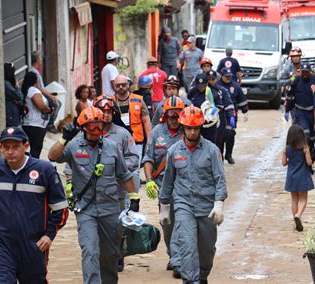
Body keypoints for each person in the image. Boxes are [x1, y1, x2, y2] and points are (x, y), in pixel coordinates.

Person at [0, 126, 68, 282]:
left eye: (15, 147)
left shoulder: (44, 170)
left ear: (25, 146)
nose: (10, 152)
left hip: (34, 246)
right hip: (2, 244)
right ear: (0, 147)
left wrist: (49, 235)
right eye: (6, 147)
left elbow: (61, 209)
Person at [48, 106, 139, 283]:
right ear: (83, 127)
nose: (96, 131)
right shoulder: (73, 146)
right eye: (92, 127)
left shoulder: (111, 147)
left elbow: (124, 174)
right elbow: (52, 156)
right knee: (90, 250)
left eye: (99, 126)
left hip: (110, 209)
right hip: (86, 209)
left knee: (110, 254)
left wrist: (134, 198)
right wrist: (64, 139)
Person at [159, 105, 227, 284]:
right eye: (189, 128)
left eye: (195, 128)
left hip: (206, 207)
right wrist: (165, 208)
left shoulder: (212, 151)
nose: (192, 132)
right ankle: (191, 281)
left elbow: (220, 179)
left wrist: (219, 204)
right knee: (187, 247)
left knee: (207, 251)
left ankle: (202, 275)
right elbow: (168, 182)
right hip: (183, 205)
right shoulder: (174, 151)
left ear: (200, 127)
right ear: (183, 127)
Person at [93, 94, 139, 272]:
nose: (105, 115)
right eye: (102, 111)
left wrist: (116, 168)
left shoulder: (122, 134)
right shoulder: (86, 135)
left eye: (109, 111)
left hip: (117, 190)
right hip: (93, 192)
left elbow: (134, 158)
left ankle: (117, 253)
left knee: (118, 225)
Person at [143, 96, 185, 278]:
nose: (174, 118)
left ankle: (179, 260)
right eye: (170, 114)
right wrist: (149, 180)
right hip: (163, 187)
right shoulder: (157, 132)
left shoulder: (189, 130)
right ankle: (173, 254)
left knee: (184, 222)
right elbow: (148, 158)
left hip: (185, 186)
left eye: (177, 114)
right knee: (167, 223)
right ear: (164, 115)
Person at [114, 75, 153, 190]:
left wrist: (149, 142)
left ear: (129, 85)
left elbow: (146, 121)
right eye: (118, 85)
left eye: (124, 84)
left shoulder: (139, 100)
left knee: (135, 171)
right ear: (114, 86)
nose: (121, 87)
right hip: (116, 142)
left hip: (136, 141)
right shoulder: (110, 101)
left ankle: (134, 198)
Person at [282, 125, 313, 232]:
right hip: (303, 175)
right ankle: (298, 215)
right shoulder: (304, 147)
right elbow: (309, 162)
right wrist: (307, 152)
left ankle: (295, 219)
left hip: (291, 176)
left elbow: (284, 163)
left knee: (294, 199)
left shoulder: (286, 148)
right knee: (303, 199)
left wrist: (285, 153)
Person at [201, 58, 235, 152]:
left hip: (218, 119)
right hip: (203, 120)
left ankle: (222, 159)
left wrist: (231, 117)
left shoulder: (222, 90)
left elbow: (228, 105)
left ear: (216, 79)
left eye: (213, 79)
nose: (211, 81)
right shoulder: (201, 90)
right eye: (209, 79)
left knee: (218, 141)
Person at [284, 61, 315, 149]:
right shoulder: (296, 80)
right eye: (303, 72)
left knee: (312, 138)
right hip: (300, 112)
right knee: (304, 135)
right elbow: (290, 96)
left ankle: (310, 155)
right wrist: (287, 110)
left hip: (312, 112)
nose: (305, 74)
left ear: (310, 71)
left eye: (307, 72)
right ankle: (303, 155)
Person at [218, 68, 249, 164]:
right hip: (219, 114)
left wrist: (245, 112)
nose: (228, 78)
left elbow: (242, 99)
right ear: (221, 76)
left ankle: (229, 154)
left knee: (230, 134)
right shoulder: (217, 85)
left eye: (229, 76)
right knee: (220, 135)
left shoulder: (235, 86)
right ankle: (220, 156)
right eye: (226, 76)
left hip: (231, 114)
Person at [21, 70, 53, 158]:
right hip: (35, 125)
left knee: (31, 149)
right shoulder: (33, 90)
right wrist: (49, 110)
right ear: (35, 81)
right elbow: (40, 105)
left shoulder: (25, 90)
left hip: (28, 123)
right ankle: (32, 169)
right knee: (35, 150)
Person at [30, 51, 61, 134]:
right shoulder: (34, 72)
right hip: (39, 94)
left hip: (41, 93)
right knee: (57, 104)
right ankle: (50, 125)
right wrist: (50, 96)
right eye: (39, 57)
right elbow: (40, 88)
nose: (40, 59)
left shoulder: (35, 71)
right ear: (36, 60)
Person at [188, 73, 223, 145]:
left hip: (209, 124)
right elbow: (187, 104)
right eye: (199, 86)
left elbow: (220, 106)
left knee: (210, 144)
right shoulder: (192, 92)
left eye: (203, 86)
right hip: (196, 123)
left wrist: (211, 114)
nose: (201, 88)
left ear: (207, 83)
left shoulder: (213, 92)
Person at [4, 62, 23, 127]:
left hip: (13, 115)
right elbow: (19, 96)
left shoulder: (9, 83)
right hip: (11, 116)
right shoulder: (7, 84)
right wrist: (17, 86)